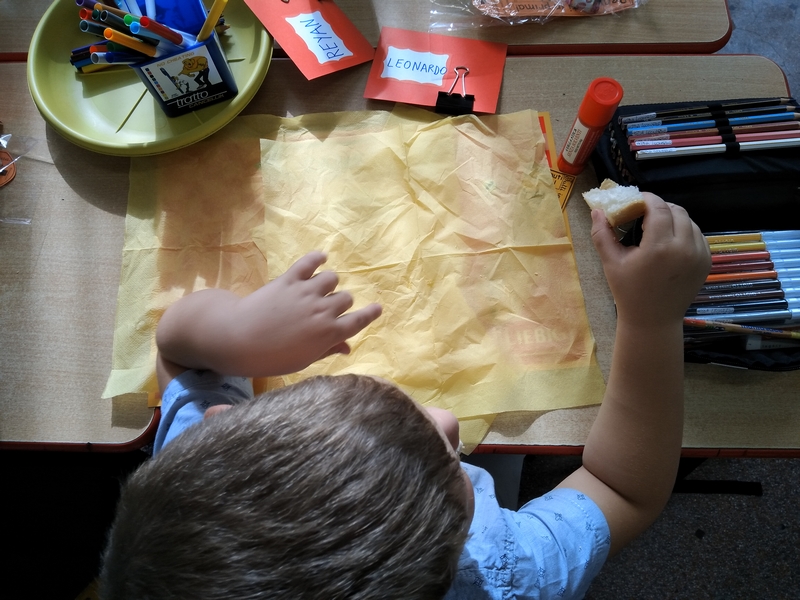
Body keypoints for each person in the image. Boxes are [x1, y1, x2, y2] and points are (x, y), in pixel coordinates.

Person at [99, 193, 711, 600]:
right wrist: (652, 321)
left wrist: (237, 339)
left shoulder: (200, 475)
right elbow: (624, 488)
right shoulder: (503, 575)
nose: (449, 419)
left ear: (224, 423)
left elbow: (180, 350)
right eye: (454, 468)